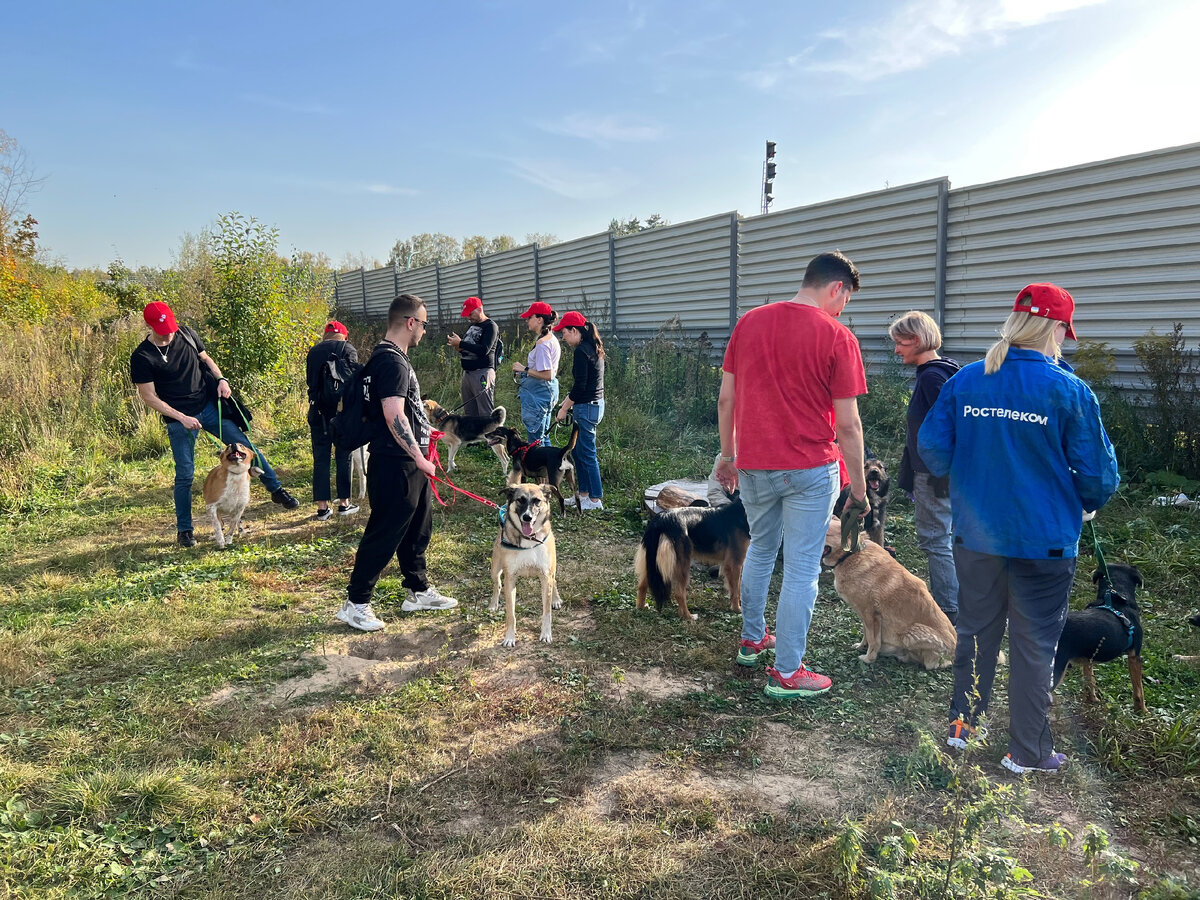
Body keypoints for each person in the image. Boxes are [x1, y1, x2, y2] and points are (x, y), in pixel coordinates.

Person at [918, 283, 1119, 776]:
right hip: (1044, 541)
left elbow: (934, 450)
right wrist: (1085, 504)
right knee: (1035, 645)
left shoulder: (966, 381)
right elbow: (1099, 476)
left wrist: (973, 477)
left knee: (976, 631)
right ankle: (1027, 752)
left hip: (976, 536)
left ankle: (964, 728)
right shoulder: (1068, 390)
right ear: (1054, 330)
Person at [715, 251, 868, 700]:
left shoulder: (749, 324)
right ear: (837, 287)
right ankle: (786, 672)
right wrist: (858, 488)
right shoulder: (838, 336)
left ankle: (752, 638)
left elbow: (727, 400)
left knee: (762, 548)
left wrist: (728, 455)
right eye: (846, 301)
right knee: (802, 569)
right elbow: (849, 425)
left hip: (755, 463)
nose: (843, 311)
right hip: (810, 469)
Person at [130, 301, 300, 548]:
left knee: (246, 447)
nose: (169, 332)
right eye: (163, 329)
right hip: (179, 420)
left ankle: (276, 489)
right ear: (149, 325)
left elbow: (206, 359)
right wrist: (181, 418)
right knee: (185, 474)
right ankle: (185, 530)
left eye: (171, 326)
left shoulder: (186, 333)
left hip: (209, 408)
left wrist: (221, 378)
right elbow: (148, 396)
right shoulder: (142, 356)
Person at [337, 293, 460, 632]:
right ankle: (356, 603)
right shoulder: (391, 362)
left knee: (418, 526)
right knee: (385, 531)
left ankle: (417, 590)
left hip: (409, 462)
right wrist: (419, 457)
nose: (424, 329)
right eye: (423, 323)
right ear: (410, 323)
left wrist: (427, 435)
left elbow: (404, 411)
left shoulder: (393, 358)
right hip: (397, 464)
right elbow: (393, 415)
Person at [889, 310, 960, 623]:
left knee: (936, 539)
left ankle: (951, 611)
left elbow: (952, 427)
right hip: (939, 473)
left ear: (916, 340)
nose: (896, 349)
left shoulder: (932, 377)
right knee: (946, 537)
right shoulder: (943, 371)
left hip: (935, 475)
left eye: (900, 342)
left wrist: (941, 475)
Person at [306, 320, 360, 520]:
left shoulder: (313, 352)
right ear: (344, 336)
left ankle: (322, 508)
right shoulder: (348, 349)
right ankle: (344, 504)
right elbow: (354, 380)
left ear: (325, 336)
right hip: (342, 411)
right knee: (343, 456)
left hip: (318, 412)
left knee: (321, 458)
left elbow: (310, 382)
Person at [553, 311, 605, 510]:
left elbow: (580, 386)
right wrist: (568, 402)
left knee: (587, 453)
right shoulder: (592, 347)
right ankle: (583, 494)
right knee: (580, 452)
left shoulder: (581, 351)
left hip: (587, 407)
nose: (563, 337)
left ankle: (594, 499)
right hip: (593, 405)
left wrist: (564, 408)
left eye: (564, 332)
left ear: (574, 330)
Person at [512, 301, 560, 444]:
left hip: (537, 396)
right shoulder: (551, 339)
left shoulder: (542, 344)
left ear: (539, 320)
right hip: (546, 393)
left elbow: (547, 374)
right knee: (543, 437)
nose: (527, 321)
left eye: (529, 317)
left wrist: (523, 369)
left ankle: (537, 467)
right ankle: (548, 466)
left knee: (535, 441)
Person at [447, 295, 499, 417]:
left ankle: (489, 435)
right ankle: (473, 435)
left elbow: (484, 350)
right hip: (468, 373)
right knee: (469, 412)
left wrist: (461, 343)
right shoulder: (472, 326)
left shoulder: (490, 326)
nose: (469, 318)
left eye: (470, 314)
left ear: (480, 309)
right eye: (467, 315)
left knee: (485, 412)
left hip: (482, 372)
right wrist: (459, 347)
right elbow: (469, 349)